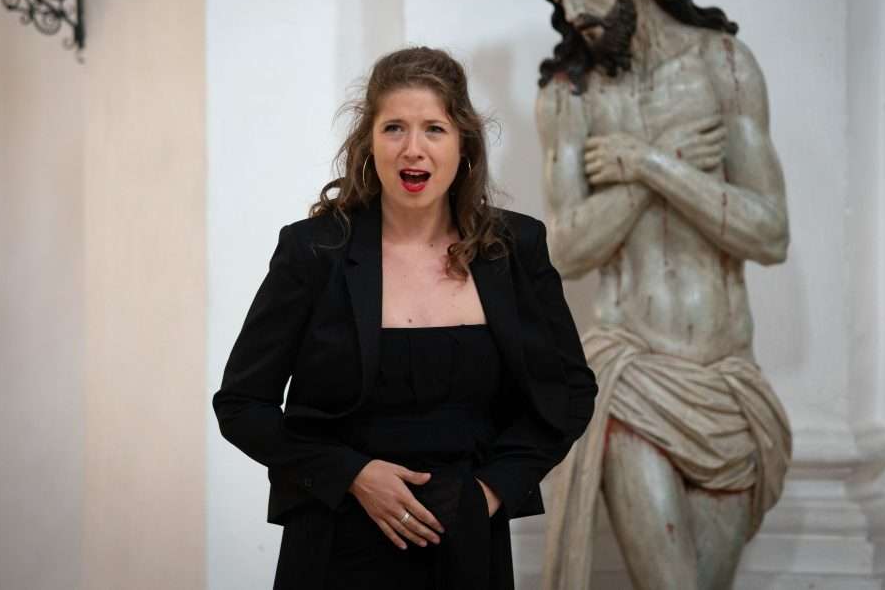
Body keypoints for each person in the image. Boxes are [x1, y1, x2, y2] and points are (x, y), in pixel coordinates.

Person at [212, 46, 598, 589]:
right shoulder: (313, 251)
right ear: (368, 142)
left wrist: (489, 492)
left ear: (463, 143)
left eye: (434, 129)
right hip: (333, 541)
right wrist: (353, 475)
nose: (412, 149)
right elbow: (241, 405)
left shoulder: (514, 248)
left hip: (465, 544)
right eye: (394, 128)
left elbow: (570, 392)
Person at [515, 0, 793, 590]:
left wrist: (647, 164)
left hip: (726, 383)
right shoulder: (568, 96)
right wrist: (657, 168)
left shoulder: (724, 65)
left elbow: (770, 233)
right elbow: (566, 250)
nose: (572, 12)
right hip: (632, 374)